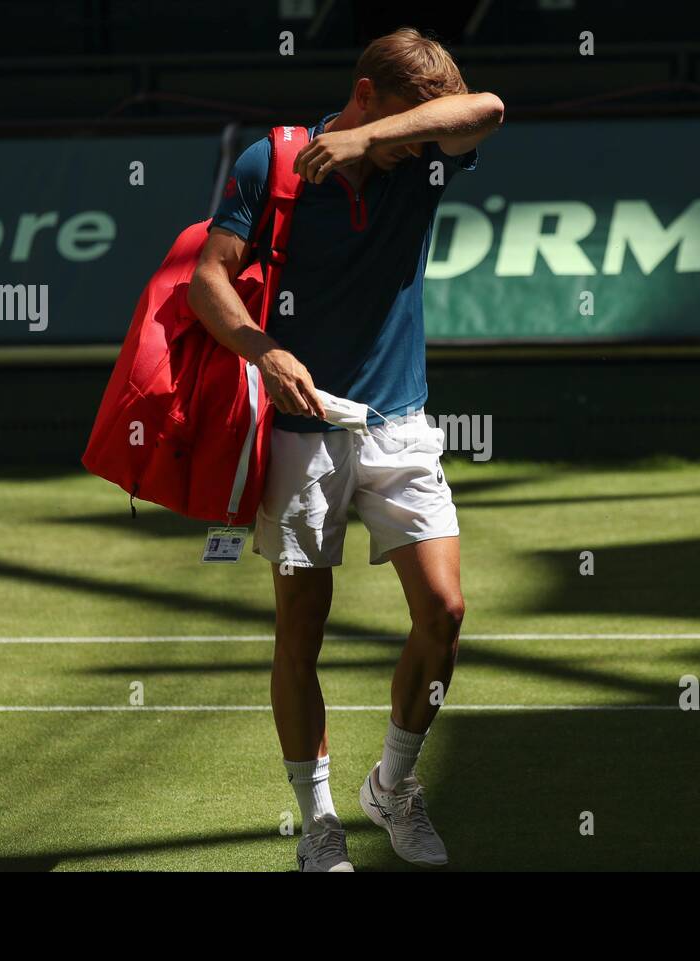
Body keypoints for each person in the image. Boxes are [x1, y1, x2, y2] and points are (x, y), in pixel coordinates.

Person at [186, 27, 503, 871]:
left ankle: (392, 788)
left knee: (444, 612)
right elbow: (207, 278)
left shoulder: (420, 156)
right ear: (364, 90)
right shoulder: (271, 163)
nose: (418, 140)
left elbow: (491, 110)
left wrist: (375, 138)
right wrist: (261, 348)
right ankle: (319, 819)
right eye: (403, 120)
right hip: (300, 431)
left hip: (400, 422)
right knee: (302, 630)